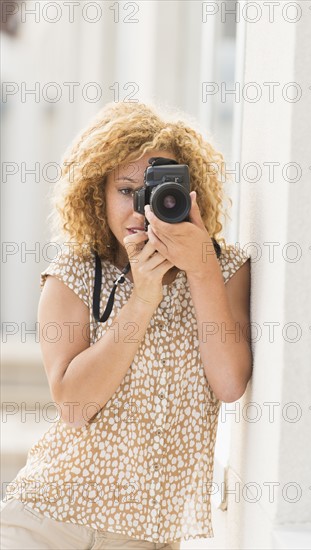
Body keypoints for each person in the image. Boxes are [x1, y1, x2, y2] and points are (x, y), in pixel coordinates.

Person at [0, 101, 253, 549]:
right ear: (97, 194)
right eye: (126, 190)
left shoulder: (222, 269)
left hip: (146, 535)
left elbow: (231, 382)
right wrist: (142, 297)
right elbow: (74, 406)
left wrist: (200, 270)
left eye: (160, 189)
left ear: (191, 193)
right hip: (47, 519)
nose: (143, 207)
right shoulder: (75, 273)